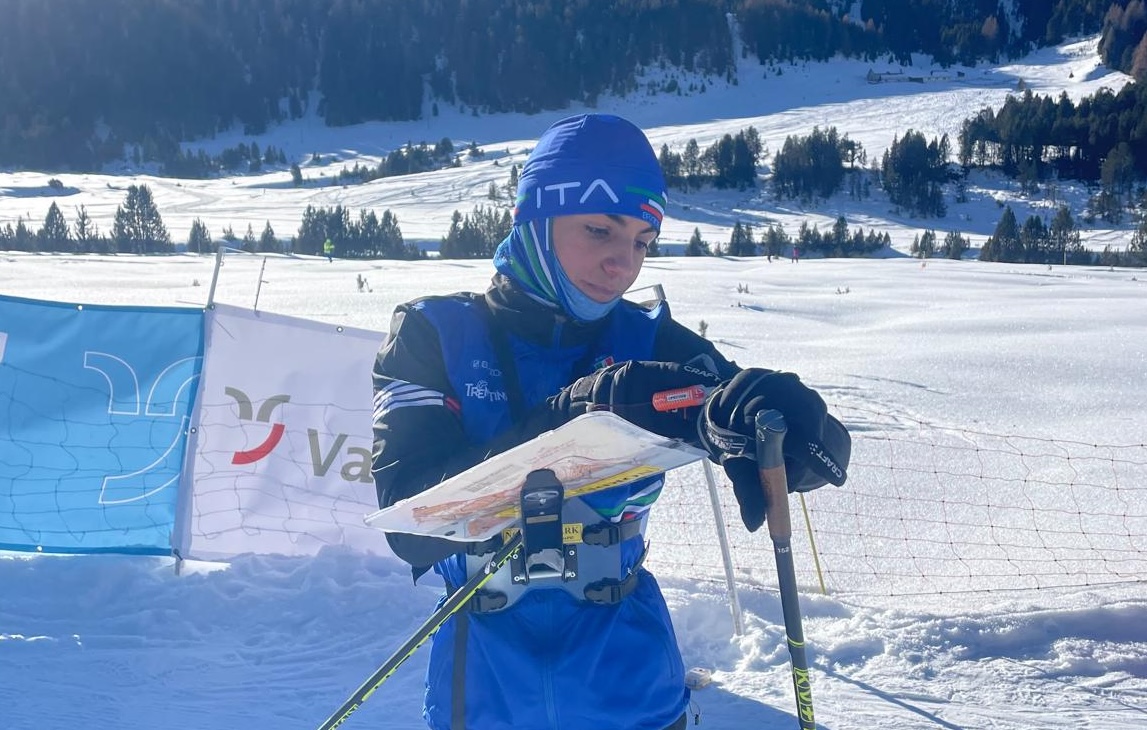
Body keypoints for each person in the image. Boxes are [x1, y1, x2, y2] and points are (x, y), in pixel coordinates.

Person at [371, 113, 851, 730]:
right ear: (534, 220)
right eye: (599, 230)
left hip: (630, 684)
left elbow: (794, 447)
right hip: (484, 688)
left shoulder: (652, 341)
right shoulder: (434, 335)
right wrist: (575, 418)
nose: (622, 264)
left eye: (642, 242)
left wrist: (786, 427)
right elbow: (412, 527)